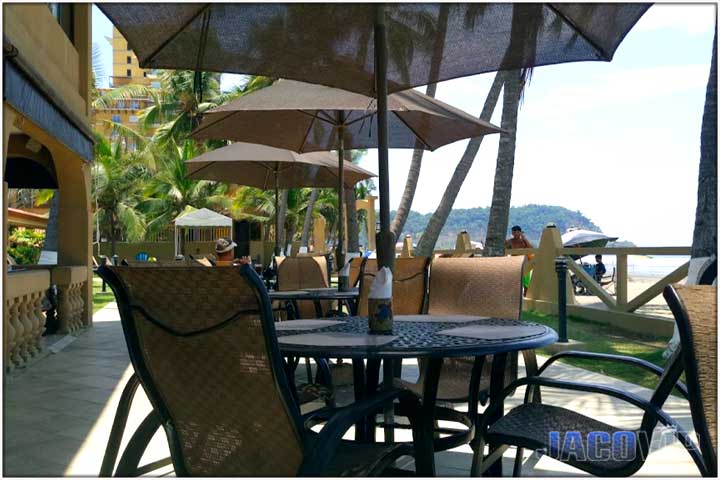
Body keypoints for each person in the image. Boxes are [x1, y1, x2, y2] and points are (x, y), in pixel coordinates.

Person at [505, 226, 534, 294]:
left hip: (525, 263)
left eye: (516, 231)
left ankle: (526, 295)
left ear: (520, 232)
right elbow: (503, 249)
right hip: (514, 263)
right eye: (513, 231)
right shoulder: (509, 241)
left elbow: (531, 249)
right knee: (515, 281)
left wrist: (524, 239)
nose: (514, 233)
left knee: (526, 283)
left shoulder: (524, 241)